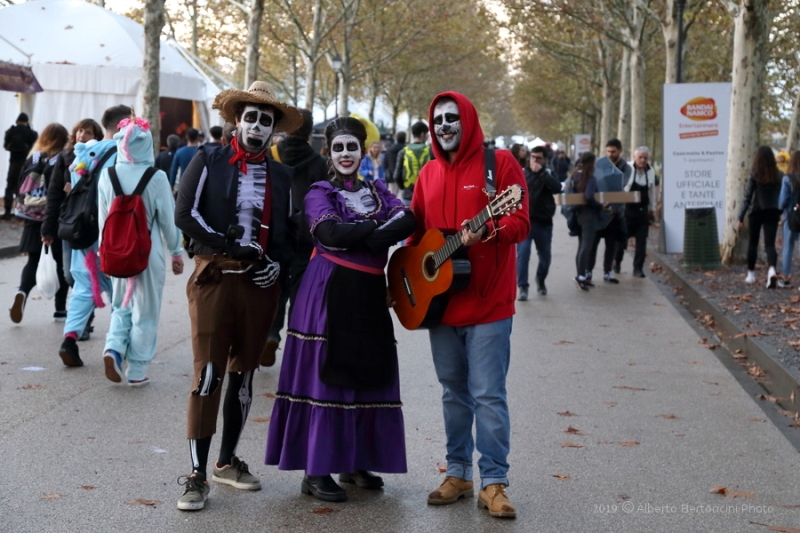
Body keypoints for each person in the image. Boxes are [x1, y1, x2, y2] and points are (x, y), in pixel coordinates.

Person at [266, 116, 416, 503]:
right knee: (327, 374)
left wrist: (364, 229)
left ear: (363, 151)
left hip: (369, 290)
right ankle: (315, 471)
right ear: (328, 153)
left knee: (367, 369)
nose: (346, 154)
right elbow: (329, 233)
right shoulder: (319, 192)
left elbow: (409, 219)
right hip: (329, 288)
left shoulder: (378, 189)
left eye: (352, 146)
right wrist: (378, 227)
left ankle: (354, 460)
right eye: (339, 148)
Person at [174, 81, 301, 512]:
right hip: (214, 278)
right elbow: (184, 212)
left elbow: (287, 235)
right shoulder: (208, 158)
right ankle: (195, 474)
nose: (257, 126)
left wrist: (277, 264)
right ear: (236, 121)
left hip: (258, 288)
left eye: (266, 121)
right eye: (251, 118)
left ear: (273, 131)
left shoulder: (282, 176)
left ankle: (226, 463)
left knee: (243, 375)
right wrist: (227, 246)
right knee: (207, 374)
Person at [408, 92, 529, 519]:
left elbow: (520, 221)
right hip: (440, 307)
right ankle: (458, 473)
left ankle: (494, 481)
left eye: (452, 118)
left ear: (468, 120)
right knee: (452, 394)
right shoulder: (426, 173)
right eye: (438, 119)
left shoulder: (500, 166)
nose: (444, 125)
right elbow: (416, 236)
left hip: (490, 305)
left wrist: (490, 230)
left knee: (488, 395)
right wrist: (404, 280)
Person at [97, 116, 184, 386]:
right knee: (146, 310)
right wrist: (176, 252)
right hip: (148, 253)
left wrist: (105, 252)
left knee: (120, 305)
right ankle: (136, 370)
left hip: (116, 250)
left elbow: (103, 220)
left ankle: (113, 348)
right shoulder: (156, 178)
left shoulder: (107, 175)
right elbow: (169, 221)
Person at [58, 105, 131, 367]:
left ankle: (69, 338)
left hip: (83, 232)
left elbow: (75, 186)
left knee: (83, 288)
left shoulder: (87, 153)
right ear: (125, 125)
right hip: (112, 236)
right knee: (120, 291)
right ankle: (116, 347)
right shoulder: (123, 155)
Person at [262, 108, 329, 367]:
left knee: (275, 288)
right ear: (310, 132)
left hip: (276, 231)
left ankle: (270, 334)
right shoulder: (318, 162)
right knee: (300, 292)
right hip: (305, 235)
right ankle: (295, 344)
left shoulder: (272, 154)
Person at [9, 123, 70, 324]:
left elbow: (20, 184)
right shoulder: (62, 159)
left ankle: (22, 293)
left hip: (32, 217)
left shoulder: (33, 157)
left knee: (33, 260)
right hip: (55, 217)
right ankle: (60, 310)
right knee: (61, 265)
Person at [42, 118, 104, 292]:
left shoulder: (100, 158)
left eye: (88, 132)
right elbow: (53, 195)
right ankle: (86, 304)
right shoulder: (65, 157)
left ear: (96, 137)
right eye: (79, 130)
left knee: (93, 271)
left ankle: (84, 309)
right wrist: (47, 229)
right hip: (70, 221)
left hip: (93, 222)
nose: (82, 135)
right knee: (69, 273)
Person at [517, 145, 560, 299]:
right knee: (523, 254)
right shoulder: (521, 173)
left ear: (545, 160)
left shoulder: (548, 173)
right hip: (526, 223)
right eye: (533, 157)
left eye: (539, 158)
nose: (535, 160)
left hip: (544, 223)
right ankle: (523, 286)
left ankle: (540, 279)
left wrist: (542, 173)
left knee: (545, 257)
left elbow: (557, 188)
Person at [738, 146, 783, 288]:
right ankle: (771, 271)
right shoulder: (779, 174)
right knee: (770, 244)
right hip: (773, 211)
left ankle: (751, 274)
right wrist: (780, 211)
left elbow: (747, 197)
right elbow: (782, 195)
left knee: (753, 243)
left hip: (756, 211)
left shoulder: (754, 174)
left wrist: (740, 216)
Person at [616, 146, 656, 278]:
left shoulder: (650, 171)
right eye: (640, 157)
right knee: (622, 240)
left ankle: (638, 269)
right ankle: (617, 263)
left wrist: (653, 209)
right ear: (635, 157)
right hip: (627, 210)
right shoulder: (627, 168)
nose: (643, 160)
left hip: (642, 212)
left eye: (645, 158)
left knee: (641, 243)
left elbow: (652, 192)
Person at [594, 139, 630, 282]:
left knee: (612, 244)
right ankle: (589, 271)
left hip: (616, 212)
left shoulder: (627, 168)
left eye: (613, 151)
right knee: (593, 244)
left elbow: (622, 185)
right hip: (600, 211)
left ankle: (608, 271)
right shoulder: (600, 165)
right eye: (608, 151)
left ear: (620, 151)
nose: (610, 154)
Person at [572, 152, 604, 291]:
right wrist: (600, 205)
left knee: (581, 247)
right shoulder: (590, 178)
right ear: (591, 163)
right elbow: (589, 196)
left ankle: (580, 274)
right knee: (586, 247)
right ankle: (581, 277)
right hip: (589, 215)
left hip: (578, 215)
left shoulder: (575, 176)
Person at [4, 113, 39, 219]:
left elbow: (6, 146)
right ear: (27, 122)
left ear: (17, 120)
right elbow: (36, 149)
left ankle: (7, 212)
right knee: (24, 188)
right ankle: (21, 212)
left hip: (13, 163)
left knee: (10, 187)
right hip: (27, 165)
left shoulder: (10, 132)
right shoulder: (32, 133)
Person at [394, 121, 431, 206]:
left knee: (409, 218)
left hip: (408, 195)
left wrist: (404, 188)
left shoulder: (403, 151)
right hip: (427, 195)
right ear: (422, 134)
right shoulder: (431, 151)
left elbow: (396, 175)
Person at [778, 150, 800, 287]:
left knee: (788, 246)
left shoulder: (787, 179)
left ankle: (785, 278)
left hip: (790, 216)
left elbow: (782, 201)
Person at [384, 131, 406, 195]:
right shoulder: (407, 150)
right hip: (403, 177)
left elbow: (385, 163)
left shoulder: (389, 149)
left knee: (392, 196)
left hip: (391, 175)